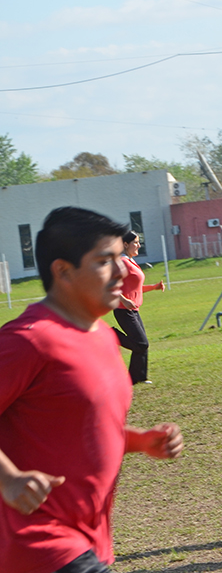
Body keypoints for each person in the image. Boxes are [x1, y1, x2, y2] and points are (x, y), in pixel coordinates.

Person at [0, 206, 183, 573]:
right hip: (38, 543)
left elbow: (74, 425)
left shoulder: (103, 336)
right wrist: (9, 478)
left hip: (92, 538)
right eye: (105, 261)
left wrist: (138, 441)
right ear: (63, 271)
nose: (122, 270)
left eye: (121, 257)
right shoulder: (26, 341)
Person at [112, 230, 164, 385]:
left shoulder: (132, 261)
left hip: (133, 310)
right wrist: (124, 300)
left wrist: (153, 287)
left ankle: (137, 378)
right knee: (142, 344)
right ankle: (111, 335)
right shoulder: (122, 262)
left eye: (138, 242)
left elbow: (135, 288)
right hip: (123, 310)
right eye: (135, 242)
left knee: (141, 345)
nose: (138, 245)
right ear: (125, 244)